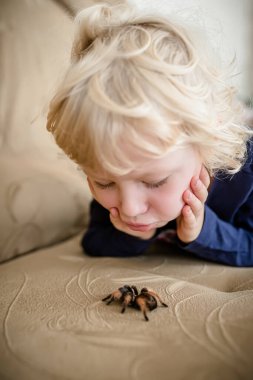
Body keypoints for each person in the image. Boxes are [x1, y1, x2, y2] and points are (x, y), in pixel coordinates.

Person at [46, 2, 253, 266]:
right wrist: (132, 234)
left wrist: (202, 230)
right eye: (104, 183)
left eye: (155, 182)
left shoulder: (245, 179)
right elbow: (94, 240)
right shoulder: (118, 164)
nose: (130, 208)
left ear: (208, 141)